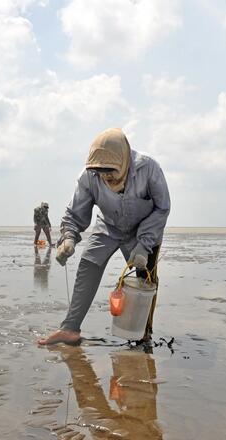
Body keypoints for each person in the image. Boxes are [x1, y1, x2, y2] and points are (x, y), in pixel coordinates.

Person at [38, 128, 170, 345]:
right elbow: (74, 214)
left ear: (125, 162)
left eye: (111, 172)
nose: (106, 177)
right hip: (108, 226)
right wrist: (68, 239)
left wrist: (144, 245)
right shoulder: (89, 176)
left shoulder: (149, 168)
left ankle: (142, 334)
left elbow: (162, 208)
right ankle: (70, 329)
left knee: (145, 281)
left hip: (143, 232)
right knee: (88, 266)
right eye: (102, 173)